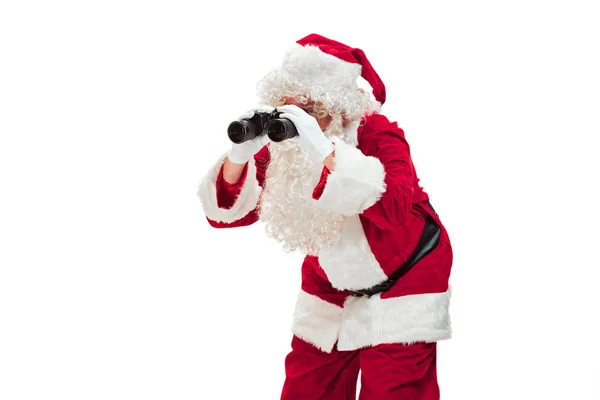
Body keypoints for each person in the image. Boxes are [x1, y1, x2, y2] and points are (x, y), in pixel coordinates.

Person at [197, 33, 453, 400]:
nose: (301, 122)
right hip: (331, 276)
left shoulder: (379, 134)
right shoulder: (284, 148)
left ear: (341, 108)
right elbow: (227, 215)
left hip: (406, 273)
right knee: (308, 386)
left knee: (393, 388)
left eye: (312, 110)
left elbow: (395, 208)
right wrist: (240, 155)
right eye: (290, 108)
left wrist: (323, 148)